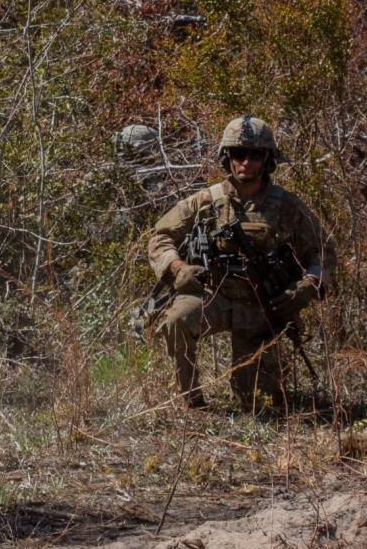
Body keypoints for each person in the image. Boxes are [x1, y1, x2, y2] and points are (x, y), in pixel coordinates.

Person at [144, 115, 335, 411]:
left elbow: (322, 252)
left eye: (255, 154)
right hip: (214, 297)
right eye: (238, 154)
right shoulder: (206, 201)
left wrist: (308, 286)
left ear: (267, 159)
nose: (246, 162)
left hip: (260, 308)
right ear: (227, 158)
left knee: (259, 405)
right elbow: (160, 236)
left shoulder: (286, 205)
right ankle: (191, 402)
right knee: (177, 319)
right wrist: (178, 269)